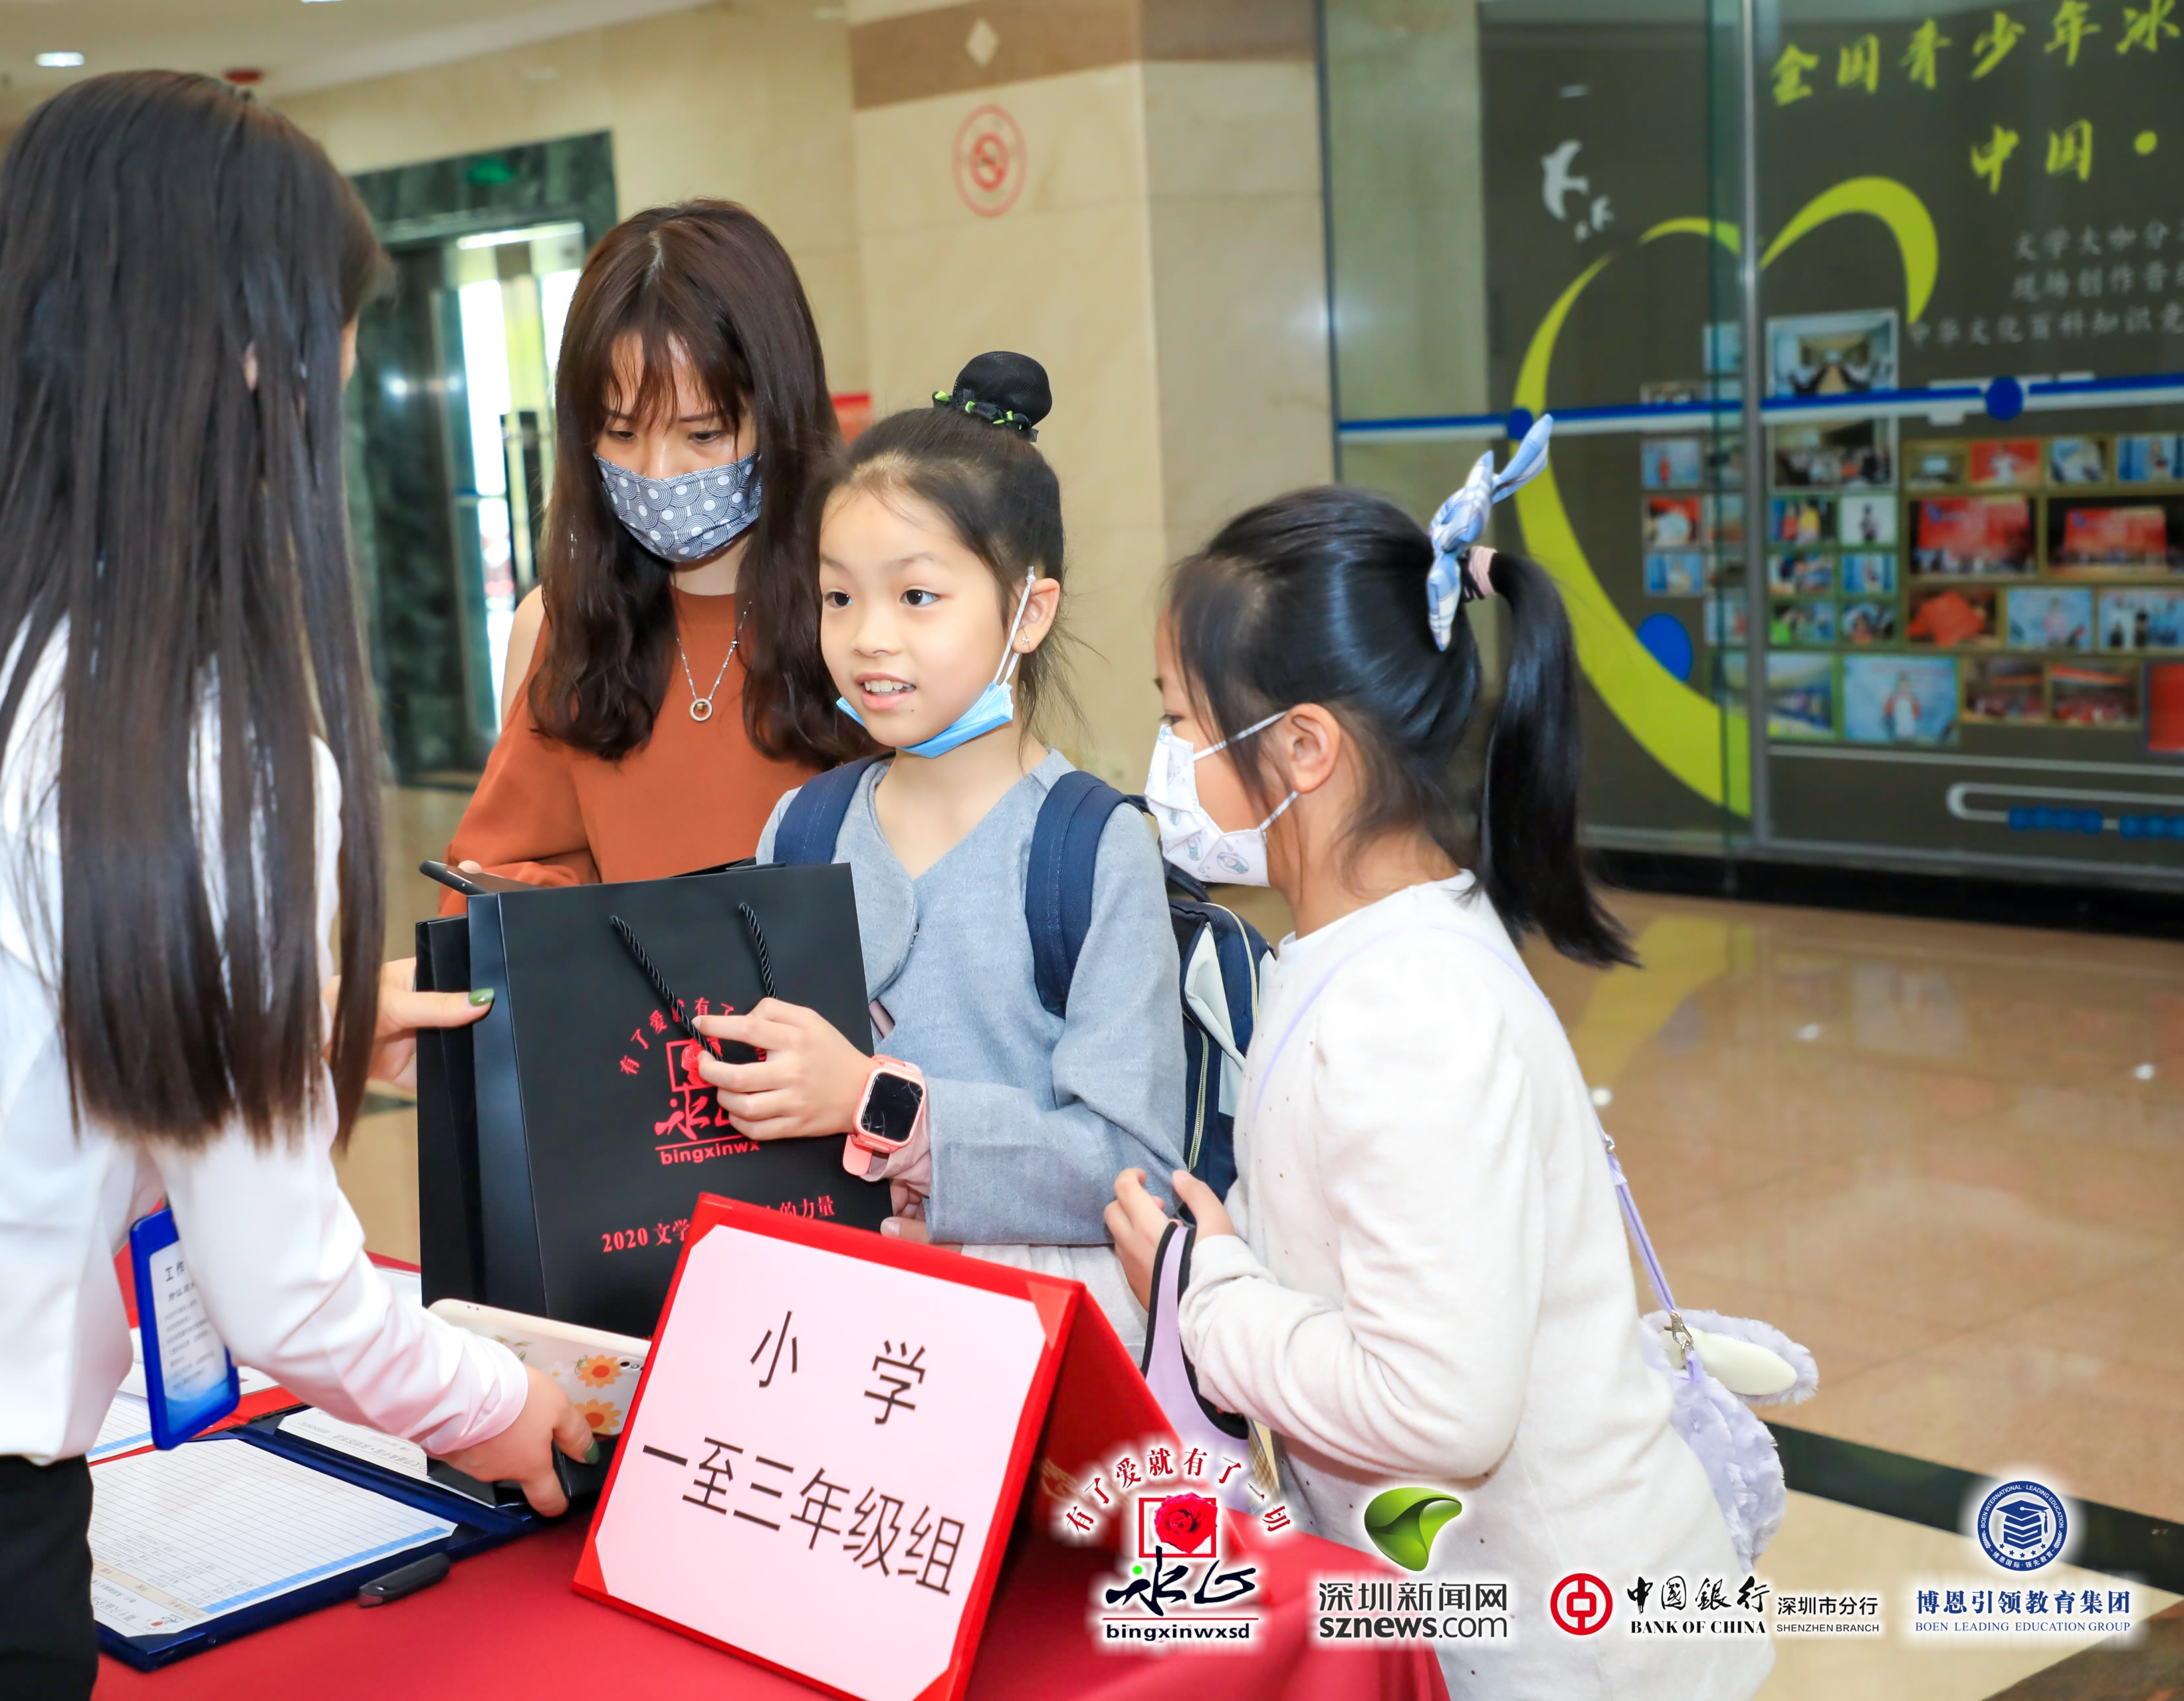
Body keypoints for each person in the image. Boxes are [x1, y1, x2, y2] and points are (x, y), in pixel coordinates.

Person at [0, 74, 587, 1700]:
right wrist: (493, 1401)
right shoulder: (198, 744)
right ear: (251, 360)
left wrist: (269, 1046)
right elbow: (287, 1295)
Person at [1105, 446, 1773, 1700]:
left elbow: (1438, 1411)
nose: (1166, 758)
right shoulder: (1366, 945)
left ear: (1303, 746)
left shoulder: (1409, 1010)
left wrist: (1202, 1300)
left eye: (1183, 720)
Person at [685, 353, 1185, 1356]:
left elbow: (1130, 1167)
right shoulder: (803, 827)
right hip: (823, 1330)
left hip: (1017, 1349)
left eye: (917, 596)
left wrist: (879, 1103)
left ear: (1028, 612)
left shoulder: (1092, 850)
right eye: (838, 598)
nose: (869, 638)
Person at [438, 201, 866, 900]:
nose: (658, 473)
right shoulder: (561, 628)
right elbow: (498, 872)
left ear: (780, 417)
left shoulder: (864, 618)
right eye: (622, 433)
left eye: (703, 434)